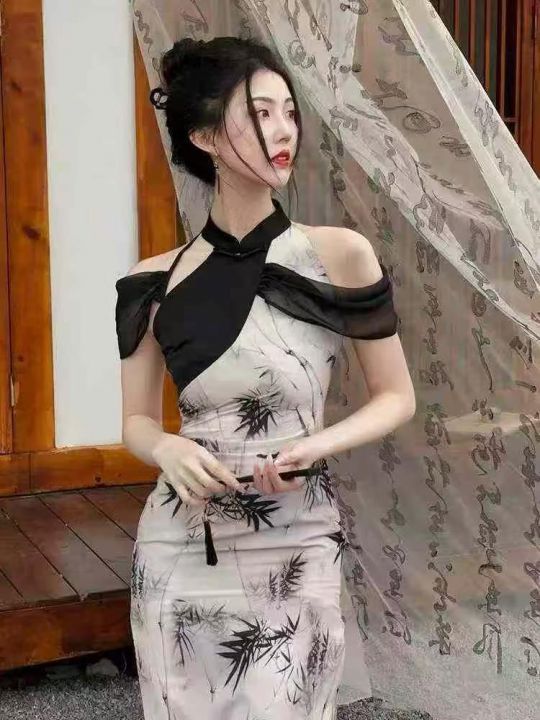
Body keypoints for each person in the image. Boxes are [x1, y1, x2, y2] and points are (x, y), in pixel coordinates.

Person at [115, 35, 415, 720]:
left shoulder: (338, 255)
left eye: (288, 112)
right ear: (204, 138)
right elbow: (135, 420)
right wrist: (165, 446)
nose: (283, 131)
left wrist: (317, 446)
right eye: (259, 114)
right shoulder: (148, 282)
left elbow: (397, 396)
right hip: (179, 541)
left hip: (296, 535)